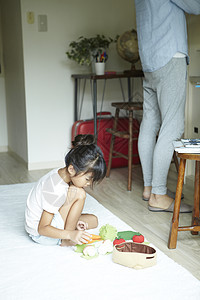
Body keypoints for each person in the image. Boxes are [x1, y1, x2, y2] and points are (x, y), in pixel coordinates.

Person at [135, 0, 200, 212]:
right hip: (169, 56)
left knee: (150, 122)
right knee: (172, 126)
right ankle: (159, 194)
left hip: (149, 60)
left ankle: (149, 188)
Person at [25, 134, 106, 246]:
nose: (88, 184)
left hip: (52, 221)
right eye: (87, 179)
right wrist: (70, 234)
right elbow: (42, 229)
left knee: (93, 220)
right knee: (79, 193)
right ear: (71, 169)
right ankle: (66, 240)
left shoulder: (63, 173)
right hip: (41, 234)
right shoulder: (55, 188)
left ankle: (70, 229)